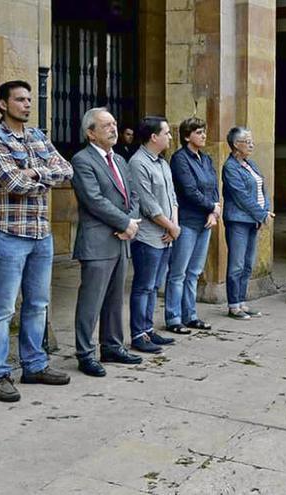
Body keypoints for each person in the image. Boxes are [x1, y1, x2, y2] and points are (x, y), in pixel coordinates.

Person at [0, 80, 74, 402]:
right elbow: (13, 182)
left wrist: (33, 173)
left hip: (40, 234)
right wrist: (39, 174)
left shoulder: (37, 136)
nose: (27, 104)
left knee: (37, 305)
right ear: (3, 104)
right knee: (3, 308)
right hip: (8, 234)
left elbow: (67, 171)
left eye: (30, 99)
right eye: (20, 99)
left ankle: (34, 365)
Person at [71, 107, 143, 377]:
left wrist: (131, 223)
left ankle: (112, 346)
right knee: (91, 300)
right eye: (106, 126)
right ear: (91, 132)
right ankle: (85, 353)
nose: (114, 129)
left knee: (114, 298)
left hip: (121, 239)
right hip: (98, 240)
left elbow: (132, 195)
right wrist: (124, 223)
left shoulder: (121, 161)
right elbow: (93, 200)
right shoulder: (82, 160)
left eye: (114, 124)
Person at [127, 116, 179, 353]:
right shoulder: (138, 163)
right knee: (144, 286)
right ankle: (138, 334)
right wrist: (170, 226)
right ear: (153, 137)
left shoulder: (162, 163)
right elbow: (148, 205)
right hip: (148, 237)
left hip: (166, 235)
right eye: (166, 133)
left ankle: (148, 330)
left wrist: (173, 226)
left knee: (154, 286)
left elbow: (172, 199)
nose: (170, 137)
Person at [166, 117, 219, 333]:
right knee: (178, 271)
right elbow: (189, 191)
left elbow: (214, 186)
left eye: (204, 131)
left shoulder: (205, 159)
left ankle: (191, 315)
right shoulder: (180, 159)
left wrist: (214, 211)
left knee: (195, 272)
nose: (204, 135)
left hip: (205, 221)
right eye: (198, 132)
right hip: (187, 220)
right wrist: (211, 208)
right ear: (187, 136)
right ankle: (173, 317)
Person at [222, 127, 273, 318]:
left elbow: (262, 188)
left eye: (252, 141)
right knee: (236, 264)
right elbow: (241, 196)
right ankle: (233, 304)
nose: (252, 144)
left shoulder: (250, 164)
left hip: (253, 220)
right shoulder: (230, 167)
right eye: (247, 141)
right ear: (236, 144)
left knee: (247, 264)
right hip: (238, 221)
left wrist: (265, 210)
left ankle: (242, 301)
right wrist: (261, 214)